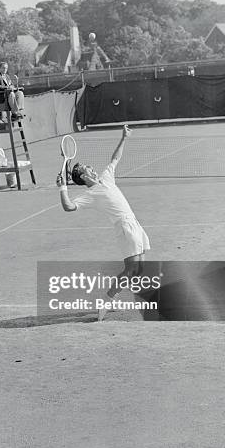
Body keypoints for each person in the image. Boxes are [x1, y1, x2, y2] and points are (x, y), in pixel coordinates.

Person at [56, 125, 150, 321]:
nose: (91, 167)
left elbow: (115, 158)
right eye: (87, 167)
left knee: (138, 269)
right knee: (131, 269)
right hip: (125, 227)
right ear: (84, 176)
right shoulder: (90, 195)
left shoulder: (106, 177)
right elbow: (69, 207)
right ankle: (106, 300)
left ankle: (113, 297)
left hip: (134, 223)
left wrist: (124, 137)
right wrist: (62, 188)